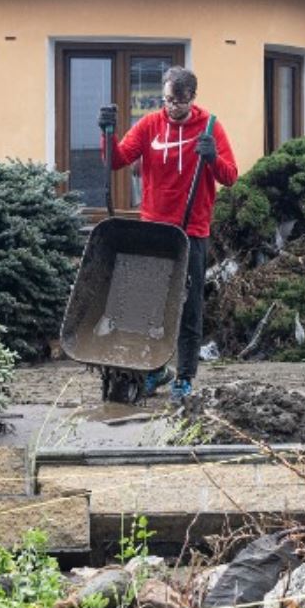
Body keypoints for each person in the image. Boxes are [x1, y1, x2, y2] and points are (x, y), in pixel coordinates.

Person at [98, 66, 237, 398]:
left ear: (191, 97)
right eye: (165, 99)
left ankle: (185, 377)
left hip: (192, 231)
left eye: (176, 100)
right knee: (150, 307)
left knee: (188, 309)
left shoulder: (210, 127)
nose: (169, 107)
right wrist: (106, 133)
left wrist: (212, 157)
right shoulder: (150, 125)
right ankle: (155, 370)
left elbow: (230, 176)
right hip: (155, 229)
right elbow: (117, 160)